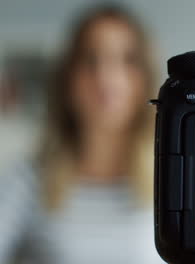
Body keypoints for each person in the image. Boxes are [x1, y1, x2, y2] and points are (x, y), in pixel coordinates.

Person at [0, 5, 165, 264]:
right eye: (90, 59)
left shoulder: (171, 183)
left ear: (145, 77)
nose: (105, 77)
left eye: (126, 60)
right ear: (68, 78)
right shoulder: (26, 182)